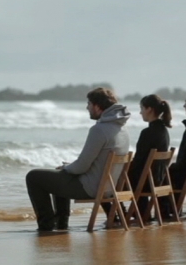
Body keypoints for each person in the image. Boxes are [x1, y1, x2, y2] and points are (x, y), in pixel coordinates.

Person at [25, 88, 130, 231]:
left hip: (90, 187)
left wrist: (67, 167)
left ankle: (47, 225)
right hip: (108, 188)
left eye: (89, 104)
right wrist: (67, 168)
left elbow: (81, 167)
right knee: (59, 176)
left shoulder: (99, 130)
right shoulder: (122, 130)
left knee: (33, 177)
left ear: (97, 107)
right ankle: (61, 225)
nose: (87, 107)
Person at [103, 94, 172, 222]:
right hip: (158, 179)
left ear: (149, 109)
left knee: (106, 180)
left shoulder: (147, 133)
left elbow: (139, 162)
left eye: (142, 109)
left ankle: (118, 213)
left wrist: (122, 167)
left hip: (144, 181)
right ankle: (132, 212)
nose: (140, 113)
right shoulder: (164, 131)